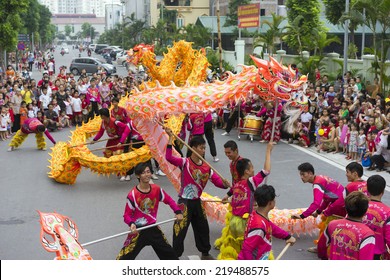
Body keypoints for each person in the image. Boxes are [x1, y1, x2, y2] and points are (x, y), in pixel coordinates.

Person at [165, 127, 230, 259]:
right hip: (185, 201)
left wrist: (225, 184)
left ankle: (205, 252)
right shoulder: (185, 163)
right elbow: (169, 157)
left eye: (204, 148)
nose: (203, 150)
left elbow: (218, 183)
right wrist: (170, 139)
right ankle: (174, 256)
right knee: (179, 230)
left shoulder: (207, 168)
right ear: (193, 148)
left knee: (203, 228)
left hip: (197, 201)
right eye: (200, 147)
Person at [217, 142, 274, 259]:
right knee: (252, 249)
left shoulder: (237, 184)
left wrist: (227, 196)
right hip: (245, 222)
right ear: (247, 171)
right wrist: (268, 150)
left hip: (233, 221)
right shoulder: (251, 182)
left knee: (237, 247)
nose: (254, 169)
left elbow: (232, 189)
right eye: (252, 167)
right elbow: (266, 170)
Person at [116, 163, 183, 260]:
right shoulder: (133, 195)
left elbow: (169, 200)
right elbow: (127, 215)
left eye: (148, 172)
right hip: (138, 231)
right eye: (143, 173)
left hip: (153, 228)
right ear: (138, 175)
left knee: (170, 256)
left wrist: (178, 212)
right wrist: (131, 224)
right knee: (123, 259)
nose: (147, 174)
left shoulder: (156, 189)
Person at [292, 162, 346, 254]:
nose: (301, 177)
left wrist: (302, 216)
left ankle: (322, 249)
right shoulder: (321, 178)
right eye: (300, 175)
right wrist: (318, 211)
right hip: (341, 202)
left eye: (303, 174)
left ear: (310, 173)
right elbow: (327, 198)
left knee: (327, 228)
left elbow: (316, 203)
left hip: (340, 205)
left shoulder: (317, 183)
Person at [238, 185, 296, 260]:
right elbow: (247, 249)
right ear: (270, 203)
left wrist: (287, 236)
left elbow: (271, 226)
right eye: (274, 199)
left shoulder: (259, 214)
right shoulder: (259, 226)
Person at [317, 191, 375, 260]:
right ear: (366, 210)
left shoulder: (332, 225)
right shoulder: (367, 234)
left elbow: (321, 247)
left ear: (345, 208)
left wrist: (325, 258)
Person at [363, 175, 390, 260]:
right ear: (383, 191)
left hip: (357, 251)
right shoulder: (388, 212)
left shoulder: (359, 206)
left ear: (367, 190)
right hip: (376, 254)